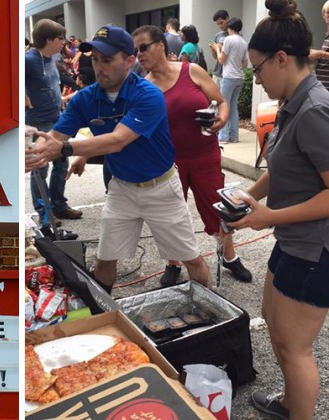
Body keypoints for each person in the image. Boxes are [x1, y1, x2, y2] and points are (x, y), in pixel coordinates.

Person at [231, 1, 329, 418]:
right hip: (297, 240)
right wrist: (250, 196)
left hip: (322, 250)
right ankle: (287, 401)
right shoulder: (292, 100)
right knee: (272, 318)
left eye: (258, 68)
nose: (256, 78)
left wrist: (267, 217)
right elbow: (284, 166)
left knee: (294, 345)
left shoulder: (316, 109)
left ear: (282, 58)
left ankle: (296, 411)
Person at [25, 25, 211, 293]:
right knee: (104, 258)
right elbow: (54, 136)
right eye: (95, 59)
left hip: (161, 188)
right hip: (122, 189)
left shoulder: (148, 95)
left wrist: (66, 150)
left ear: (129, 61)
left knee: (190, 257)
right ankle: (101, 315)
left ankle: (208, 311)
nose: (100, 67)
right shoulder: (85, 99)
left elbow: (118, 141)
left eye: (108, 59)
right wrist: (33, 151)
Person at [132, 25, 253, 287]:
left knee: (218, 208)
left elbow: (221, 102)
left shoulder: (192, 71)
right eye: (135, 51)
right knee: (170, 214)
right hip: (168, 162)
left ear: (161, 46)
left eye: (143, 47)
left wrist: (221, 120)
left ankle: (229, 257)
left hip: (204, 155)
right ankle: (173, 262)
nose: (139, 54)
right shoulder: (143, 87)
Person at [25, 19, 83, 226]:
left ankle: (59, 205)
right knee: (40, 169)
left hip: (57, 119)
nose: (64, 42)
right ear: (49, 39)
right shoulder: (29, 59)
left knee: (61, 163)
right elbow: (6, 75)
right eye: (60, 38)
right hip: (37, 121)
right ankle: (44, 213)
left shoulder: (53, 57)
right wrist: (22, 93)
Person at [213, 18, 248, 143]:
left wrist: (217, 49)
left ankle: (223, 136)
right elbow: (245, 64)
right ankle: (234, 136)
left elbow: (221, 60)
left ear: (230, 28)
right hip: (239, 77)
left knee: (223, 106)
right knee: (233, 107)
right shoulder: (243, 42)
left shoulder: (228, 39)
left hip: (228, 77)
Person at [209, 10, 230, 88]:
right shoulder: (218, 35)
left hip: (228, 75)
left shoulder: (235, 34)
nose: (220, 26)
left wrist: (220, 47)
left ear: (227, 19)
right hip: (217, 73)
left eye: (221, 22)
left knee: (226, 99)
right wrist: (213, 50)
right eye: (218, 24)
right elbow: (216, 58)